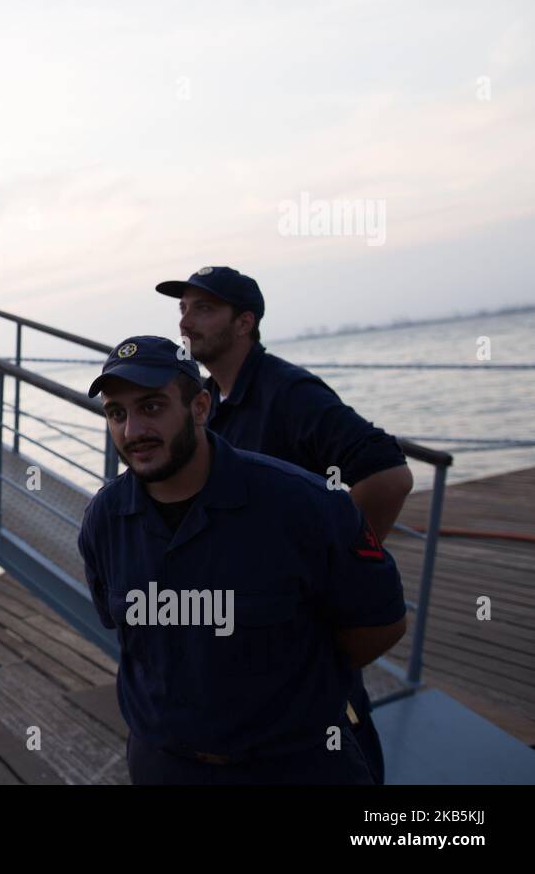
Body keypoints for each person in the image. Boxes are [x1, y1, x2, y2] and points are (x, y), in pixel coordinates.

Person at [78, 335, 407, 784]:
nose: (132, 431)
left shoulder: (303, 505)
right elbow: (132, 638)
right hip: (165, 765)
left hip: (294, 766)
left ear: (199, 407)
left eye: (152, 407)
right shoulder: (104, 519)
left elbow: (378, 626)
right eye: (117, 413)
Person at [155, 265, 413, 785]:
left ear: (245, 321)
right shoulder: (210, 402)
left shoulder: (288, 392)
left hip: (303, 644)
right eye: (182, 309)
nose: (185, 323)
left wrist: (333, 574)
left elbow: (387, 475)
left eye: (203, 308)